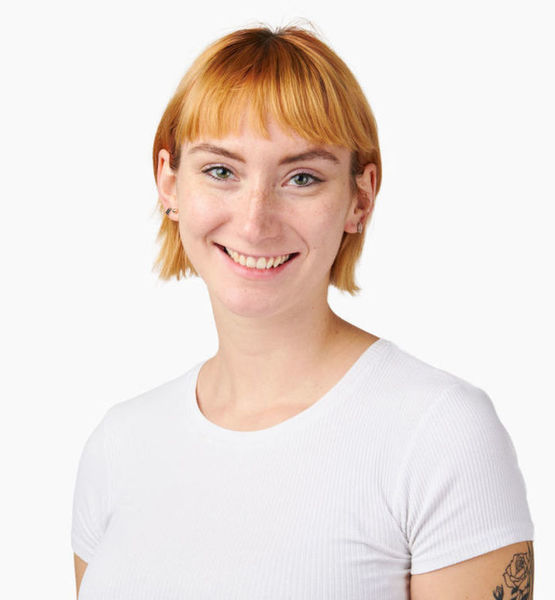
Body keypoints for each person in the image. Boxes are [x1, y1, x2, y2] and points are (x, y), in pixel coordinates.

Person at [71, 24, 535, 600]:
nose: (254, 221)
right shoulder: (117, 446)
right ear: (169, 182)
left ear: (359, 198)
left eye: (302, 178)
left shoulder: (440, 434)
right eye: (221, 171)